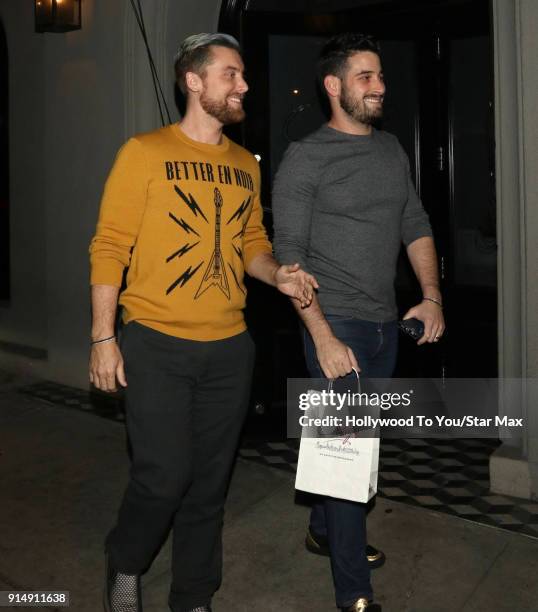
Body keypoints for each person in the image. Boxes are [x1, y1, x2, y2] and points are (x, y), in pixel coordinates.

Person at [89, 32, 318, 612]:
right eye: (231, 74)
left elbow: (250, 242)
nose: (244, 85)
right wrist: (103, 337)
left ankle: (193, 596)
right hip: (155, 343)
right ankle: (126, 560)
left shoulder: (245, 164)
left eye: (242, 76)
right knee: (162, 477)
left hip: (229, 349)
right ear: (194, 81)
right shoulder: (143, 152)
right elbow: (110, 246)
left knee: (210, 484)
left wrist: (278, 276)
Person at [272, 33, 445, 612]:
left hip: (383, 324)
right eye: (365, 76)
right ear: (333, 86)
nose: (379, 86)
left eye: (380, 76)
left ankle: (322, 528)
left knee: (355, 445)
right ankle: (354, 594)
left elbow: (413, 222)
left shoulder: (391, 149)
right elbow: (289, 256)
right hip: (333, 322)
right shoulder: (306, 158)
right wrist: (321, 336)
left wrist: (431, 296)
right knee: (348, 456)